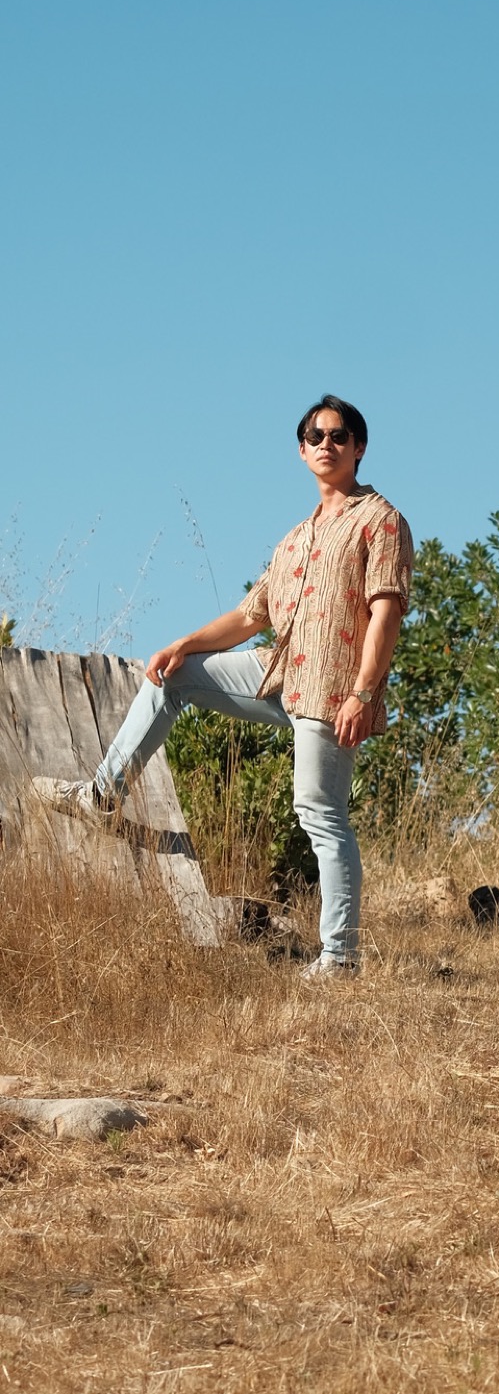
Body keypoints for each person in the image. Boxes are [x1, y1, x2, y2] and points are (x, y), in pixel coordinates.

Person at [42, 395, 412, 979]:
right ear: (301, 450)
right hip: (278, 672)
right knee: (176, 678)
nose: (325, 443)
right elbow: (248, 617)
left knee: (320, 813)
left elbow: (386, 613)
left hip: (332, 688)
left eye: (338, 435)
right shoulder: (295, 538)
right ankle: (102, 794)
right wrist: (183, 644)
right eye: (314, 435)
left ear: (359, 447)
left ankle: (339, 957)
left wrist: (364, 693)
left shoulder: (380, 519)